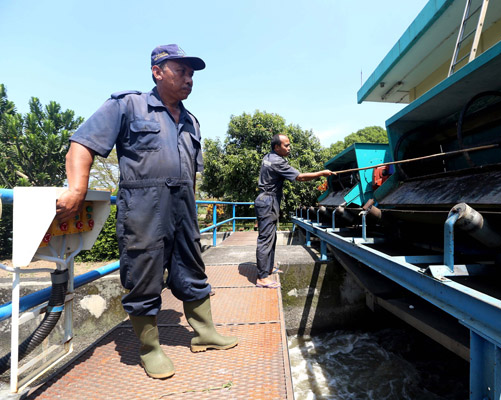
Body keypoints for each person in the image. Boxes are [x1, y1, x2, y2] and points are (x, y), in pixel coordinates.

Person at [56, 44, 237, 379]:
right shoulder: (128, 105)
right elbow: (82, 144)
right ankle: (150, 349)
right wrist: (78, 189)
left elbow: (191, 175)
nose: (189, 79)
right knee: (144, 271)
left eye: (192, 74)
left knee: (192, 267)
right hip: (143, 204)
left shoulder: (192, 121)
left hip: (183, 205)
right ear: (157, 71)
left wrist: (191, 211)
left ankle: (205, 333)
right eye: (181, 71)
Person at [255, 134, 334, 288]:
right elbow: (300, 177)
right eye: (286, 145)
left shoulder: (269, 156)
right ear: (277, 147)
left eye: (289, 145)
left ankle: (268, 268)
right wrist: (321, 174)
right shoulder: (277, 161)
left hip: (266, 200)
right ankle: (262, 277)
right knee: (265, 239)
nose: (289, 148)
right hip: (268, 201)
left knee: (271, 238)